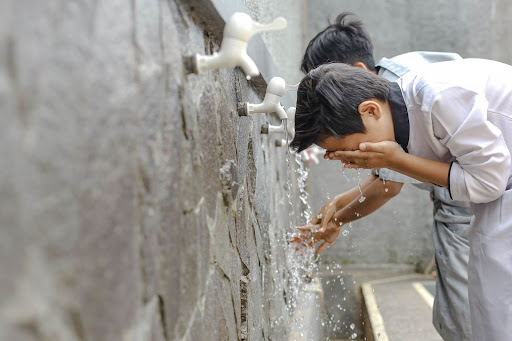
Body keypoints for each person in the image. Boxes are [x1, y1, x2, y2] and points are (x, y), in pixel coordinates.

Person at [290, 58, 512, 341]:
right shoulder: (405, 114)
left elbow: (488, 181)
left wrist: (398, 161)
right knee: (490, 311)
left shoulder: (438, 97)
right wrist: (339, 214)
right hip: (499, 198)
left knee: (497, 317)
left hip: (501, 192)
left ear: (370, 110)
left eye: (349, 150)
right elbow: (395, 180)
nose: (354, 158)